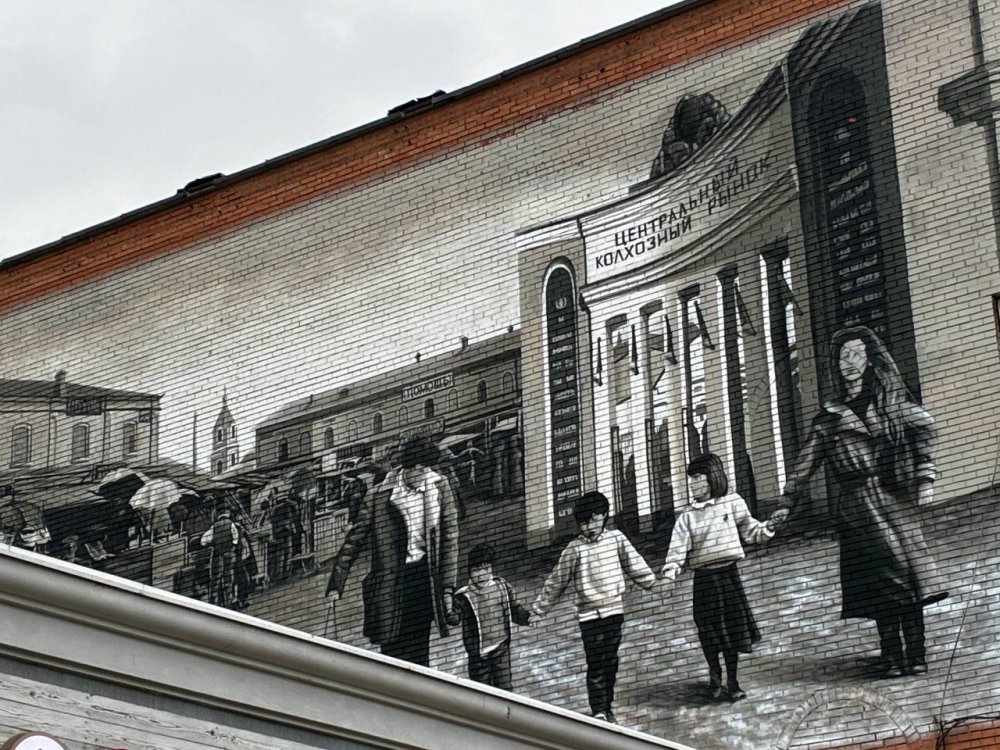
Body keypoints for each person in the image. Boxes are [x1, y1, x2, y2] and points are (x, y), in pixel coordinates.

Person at [771, 325, 944, 678]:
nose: (848, 362)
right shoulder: (830, 416)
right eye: (842, 356)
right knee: (879, 581)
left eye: (856, 354)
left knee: (908, 577)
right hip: (856, 506)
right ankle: (892, 654)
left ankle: (916, 652)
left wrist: (924, 476)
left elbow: (927, 428)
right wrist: (787, 500)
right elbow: (806, 462)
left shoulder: (892, 404)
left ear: (869, 360)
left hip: (894, 498)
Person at [325, 435, 459, 667]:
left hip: (423, 578)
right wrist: (337, 583)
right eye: (421, 470)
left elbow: (450, 538)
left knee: (419, 647)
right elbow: (354, 540)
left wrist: (447, 588)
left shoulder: (439, 486)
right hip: (389, 582)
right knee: (391, 647)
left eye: (428, 469)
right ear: (409, 467)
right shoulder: (379, 495)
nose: (425, 475)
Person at [660, 453, 777, 702]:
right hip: (704, 580)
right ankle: (715, 673)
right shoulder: (687, 516)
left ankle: (733, 681)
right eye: (691, 479)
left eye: (697, 478)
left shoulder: (732, 502)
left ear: (712, 478)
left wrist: (769, 527)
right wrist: (669, 575)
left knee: (731, 630)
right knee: (709, 630)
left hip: (728, 577)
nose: (692, 484)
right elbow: (676, 551)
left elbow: (751, 531)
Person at [531, 491, 656, 724]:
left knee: (611, 661)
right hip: (589, 615)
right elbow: (557, 581)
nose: (589, 527)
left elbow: (635, 564)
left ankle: (607, 705)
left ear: (604, 516)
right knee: (596, 662)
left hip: (614, 611)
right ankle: (598, 708)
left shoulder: (616, 539)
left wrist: (653, 584)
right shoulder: (574, 549)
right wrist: (539, 609)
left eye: (593, 520)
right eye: (583, 523)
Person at [447, 543, 531, 691]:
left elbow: (514, 609)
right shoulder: (464, 596)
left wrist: (528, 617)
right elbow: (454, 619)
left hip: (501, 649)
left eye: (486, 569)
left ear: (491, 568)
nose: (481, 574)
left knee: (505, 689)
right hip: (478, 656)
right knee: (482, 693)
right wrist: (447, 605)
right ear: (469, 571)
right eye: (476, 570)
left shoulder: (502, 586)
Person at [201, 508, 239, 607]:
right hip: (228, 553)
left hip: (217, 554)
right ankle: (229, 602)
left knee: (215, 580)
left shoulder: (214, 526)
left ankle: (214, 602)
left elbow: (203, 541)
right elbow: (235, 538)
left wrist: (212, 543)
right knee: (228, 578)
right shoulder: (231, 524)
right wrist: (232, 545)